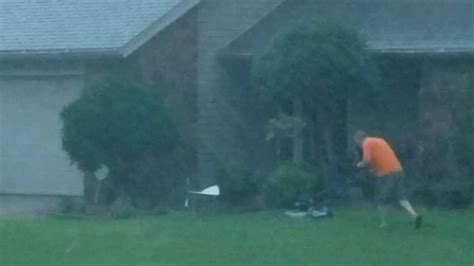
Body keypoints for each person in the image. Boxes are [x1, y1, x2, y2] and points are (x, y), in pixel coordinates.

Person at [354, 130, 422, 229]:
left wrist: (359, 165)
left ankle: (383, 222)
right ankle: (415, 215)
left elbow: (367, 159)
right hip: (398, 170)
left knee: (380, 198)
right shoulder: (380, 140)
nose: (358, 145)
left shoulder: (366, 143)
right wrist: (374, 168)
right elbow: (383, 156)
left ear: (359, 139)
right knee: (401, 197)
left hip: (386, 174)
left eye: (357, 142)